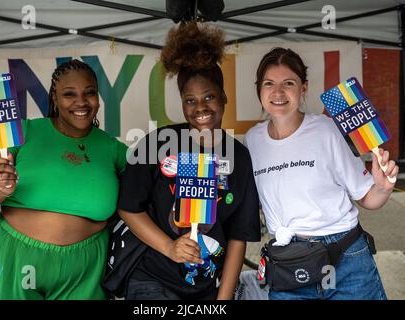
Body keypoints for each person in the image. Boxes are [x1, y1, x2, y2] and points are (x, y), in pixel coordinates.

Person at [116, 22, 261, 300]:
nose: (201, 108)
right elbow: (129, 209)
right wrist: (170, 248)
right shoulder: (157, 143)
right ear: (182, 104)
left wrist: (223, 298)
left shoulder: (239, 158)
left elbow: (237, 237)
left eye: (209, 97)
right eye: (190, 100)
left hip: (204, 287)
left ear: (224, 97)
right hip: (151, 278)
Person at [244, 47, 399, 300]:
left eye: (289, 83)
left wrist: (382, 186)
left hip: (346, 258)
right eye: (269, 83)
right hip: (288, 264)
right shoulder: (253, 140)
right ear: (259, 89)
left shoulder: (326, 131)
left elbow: (368, 198)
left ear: (303, 88)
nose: (278, 92)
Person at [0, 59, 127, 300]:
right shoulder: (20, 133)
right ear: (54, 98)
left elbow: (144, 194)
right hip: (16, 257)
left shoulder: (113, 149)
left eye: (89, 93)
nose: (81, 102)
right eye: (69, 94)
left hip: (86, 268)